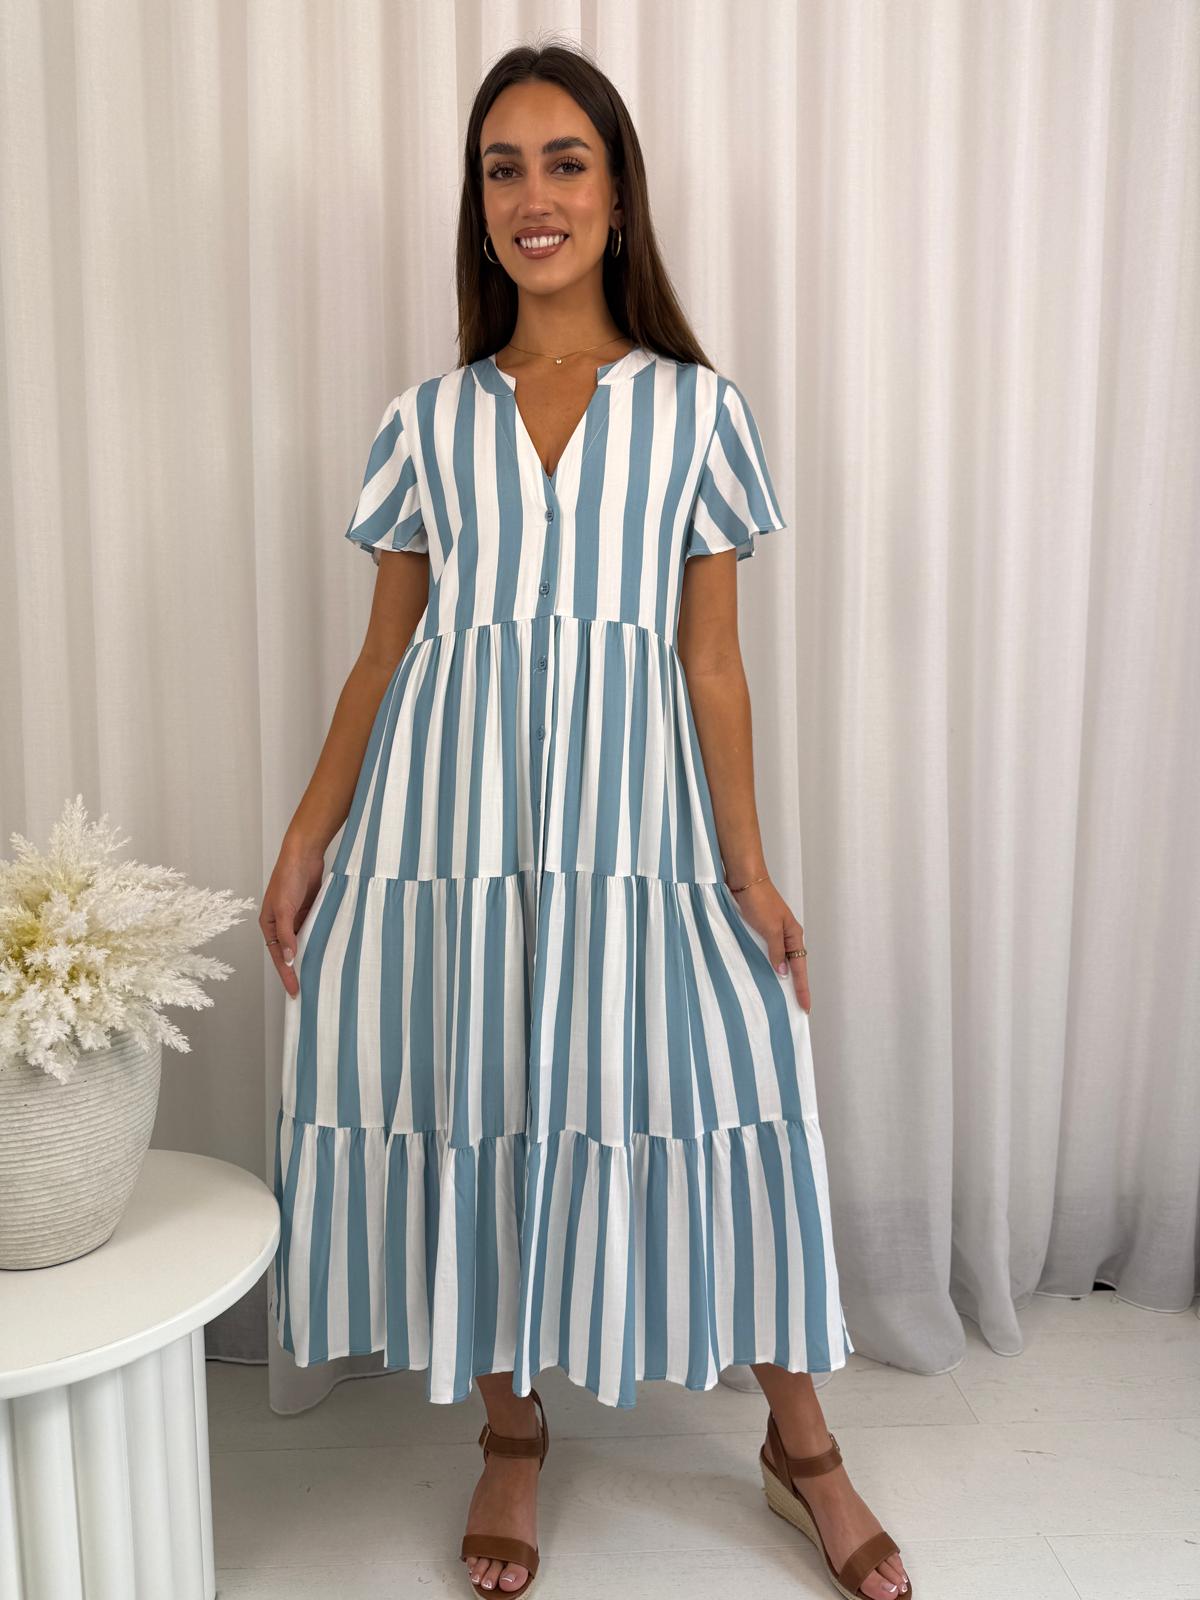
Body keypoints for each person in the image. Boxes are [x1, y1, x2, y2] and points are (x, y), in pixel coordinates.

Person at [260, 40, 911, 1600]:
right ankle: (511, 1432)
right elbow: (384, 655)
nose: (533, 196)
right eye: (504, 168)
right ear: (478, 204)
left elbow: (710, 663)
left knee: (719, 1089)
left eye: (566, 162)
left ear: (618, 196)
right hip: (446, 835)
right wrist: (308, 836)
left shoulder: (697, 414)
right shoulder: (428, 421)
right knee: (472, 1092)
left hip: (640, 834)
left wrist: (748, 870)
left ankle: (803, 1449)